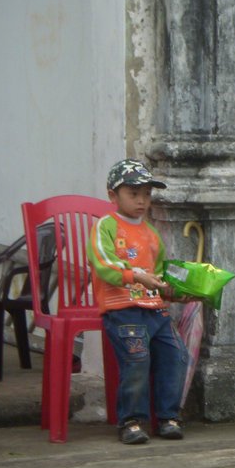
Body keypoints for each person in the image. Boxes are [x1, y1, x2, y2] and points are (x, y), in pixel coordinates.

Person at [88, 159, 189, 445]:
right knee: (137, 358)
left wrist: (173, 290)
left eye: (146, 193)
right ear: (113, 195)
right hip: (123, 311)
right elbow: (104, 264)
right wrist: (137, 276)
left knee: (177, 355)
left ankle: (168, 416)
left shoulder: (152, 234)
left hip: (155, 310)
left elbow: (159, 275)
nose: (142, 200)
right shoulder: (104, 227)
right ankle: (131, 420)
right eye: (133, 193)